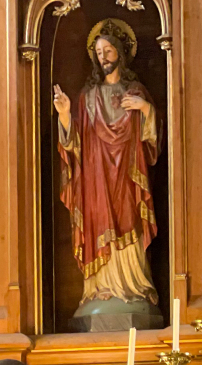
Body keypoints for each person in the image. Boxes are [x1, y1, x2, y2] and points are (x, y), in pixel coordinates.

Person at [53, 18, 160, 328]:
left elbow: (152, 141)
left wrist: (145, 109)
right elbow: (75, 144)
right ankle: (100, 289)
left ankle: (133, 286)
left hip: (126, 173)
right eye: (99, 53)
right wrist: (65, 115)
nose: (103, 58)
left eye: (108, 51)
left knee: (129, 218)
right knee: (99, 223)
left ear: (120, 53)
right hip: (96, 177)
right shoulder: (88, 97)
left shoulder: (135, 91)